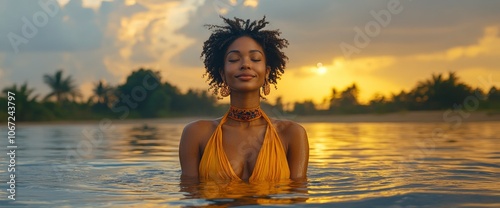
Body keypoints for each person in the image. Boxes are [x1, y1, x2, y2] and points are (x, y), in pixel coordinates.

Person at [179, 16, 309, 183]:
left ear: (267, 72)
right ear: (222, 74)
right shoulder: (196, 134)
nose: (246, 64)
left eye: (255, 59)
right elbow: (190, 197)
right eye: (234, 59)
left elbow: (298, 198)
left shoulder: (292, 134)